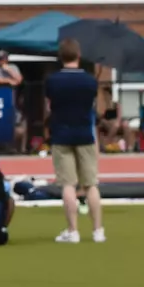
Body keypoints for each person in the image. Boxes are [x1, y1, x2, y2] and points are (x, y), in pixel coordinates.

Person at [46, 38, 104, 244]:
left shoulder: (52, 81)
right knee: (91, 184)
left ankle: (73, 231)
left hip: (62, 133)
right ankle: (98, 230)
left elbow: (48, 107)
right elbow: (94, 108)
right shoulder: (90, 81)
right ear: (78, 55)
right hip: (84, 134)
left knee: (68, 184)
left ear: (61, 56)